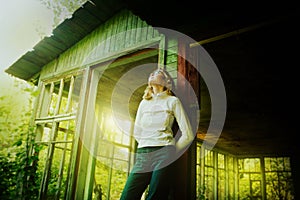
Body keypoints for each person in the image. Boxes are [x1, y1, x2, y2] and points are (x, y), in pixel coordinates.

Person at [120, 68, 194, 200]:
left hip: (164, 153)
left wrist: (169, 151)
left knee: (156, 196)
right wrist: (146, 142)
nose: (153, 74)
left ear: (167, 81)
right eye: (151, 73)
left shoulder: (173, 101)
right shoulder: (144, 103)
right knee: (127, 196)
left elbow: (188, 134)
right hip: (143, 154)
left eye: (158, 73)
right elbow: (137, 131)